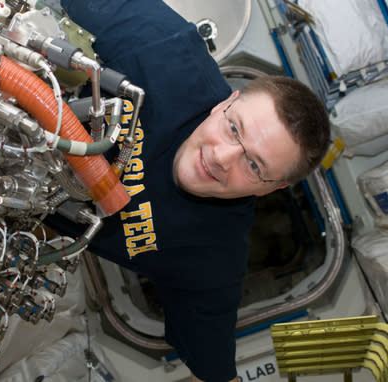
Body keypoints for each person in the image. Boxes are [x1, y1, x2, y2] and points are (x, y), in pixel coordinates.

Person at [53, 0, 331, 381]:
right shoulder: (163, 45)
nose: (221, 158)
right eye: (235, 129)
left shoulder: (212, 258)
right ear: (227, 102)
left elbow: (217, 373)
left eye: (253, 166)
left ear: (273, 189)